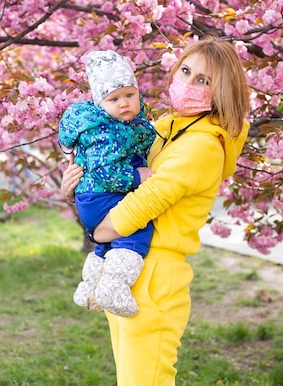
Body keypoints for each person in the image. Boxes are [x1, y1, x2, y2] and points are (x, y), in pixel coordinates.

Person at [61, 36, 251, 386]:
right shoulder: (167, 128)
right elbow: (115, 169)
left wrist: (97, 232)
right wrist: (78, 181)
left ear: (222, 90)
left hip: (154, 272)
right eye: (186, 70)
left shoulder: (203, 145)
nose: (189, 83)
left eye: (203, 80)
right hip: (128, 262)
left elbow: (147, 199)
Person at [59, 50, 157, 318]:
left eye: (129, 95)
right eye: (113, 99)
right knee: (135, 233)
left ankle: (90, 286)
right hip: (103, 195)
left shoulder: (118, 124)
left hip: (91, 200)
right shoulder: (106, 131)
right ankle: (114, 286)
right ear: (100, 102)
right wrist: (138, 176)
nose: (124, 103)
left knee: (108, 244)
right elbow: (106, 171)